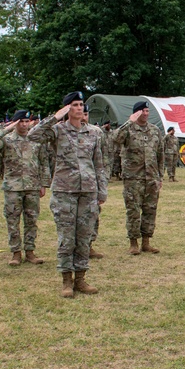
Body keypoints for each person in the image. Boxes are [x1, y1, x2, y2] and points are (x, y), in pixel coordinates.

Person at [29, 91, 108, 298]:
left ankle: (81, 279)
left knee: (84, 237)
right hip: (65, 191)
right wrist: (55, 117)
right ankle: (66, 280)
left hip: (88, 191)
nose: (80, 108)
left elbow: (99, 163)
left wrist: (102, 190)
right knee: (67, 238)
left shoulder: (94, 133)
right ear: (66, 109)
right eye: (74, 105)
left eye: (81, 104)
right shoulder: (57, 130)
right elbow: (33, 135)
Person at [0, 110, 50, 266]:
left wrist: (44, 184)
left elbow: (44, 162)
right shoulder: (6, 140)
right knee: (13, 220)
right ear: (14, 123)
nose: (24, 124)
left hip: (32, 186)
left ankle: (30, 251)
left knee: (31, 220)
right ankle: (15, 253)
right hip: (13, 186)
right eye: (21, 121)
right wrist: (6, 128)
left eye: (27, 121)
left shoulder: (36, 139)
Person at [113, 101, 165, 255]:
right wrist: (130, 121)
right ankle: (133, 243)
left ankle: (146, 242)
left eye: (147, 111)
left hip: (151, 178)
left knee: (150, 211)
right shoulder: (128, 130)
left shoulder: (155, 131)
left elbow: (160, 155)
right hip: (133, 179)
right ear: (136, 113)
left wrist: (160, 176)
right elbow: (115, 139)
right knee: (133, 211)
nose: (146, 114)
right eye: (142, 111)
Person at [80, 106, 107, 259]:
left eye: (86, 114)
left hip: (92, 182)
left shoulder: (96, 132)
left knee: (93, 215)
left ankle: (89, 245)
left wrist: (103, 183)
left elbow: (102, 158)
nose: (84, 117)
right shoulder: (63, 131)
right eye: (81, 113)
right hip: (71, 183)